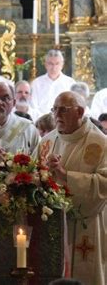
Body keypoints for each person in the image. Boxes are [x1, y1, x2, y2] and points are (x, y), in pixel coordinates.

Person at [35, 91, 106, 285]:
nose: (56, 115)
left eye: (63, 110)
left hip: (87, 225)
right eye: (54, 109)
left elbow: (104, 183)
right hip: (52, 224)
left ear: (80, 112)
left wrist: (66, 176)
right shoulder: (47, 141)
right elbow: (34, 174)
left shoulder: (100, 143)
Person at [31, 50, 76, 115]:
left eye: (57, 64)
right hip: (41, 121)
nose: (54, 67)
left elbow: (73, 105)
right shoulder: (36, 83)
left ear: (62, 65)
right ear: (46, 64)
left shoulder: (70, 83)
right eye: (50, 64)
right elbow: (33, 106)